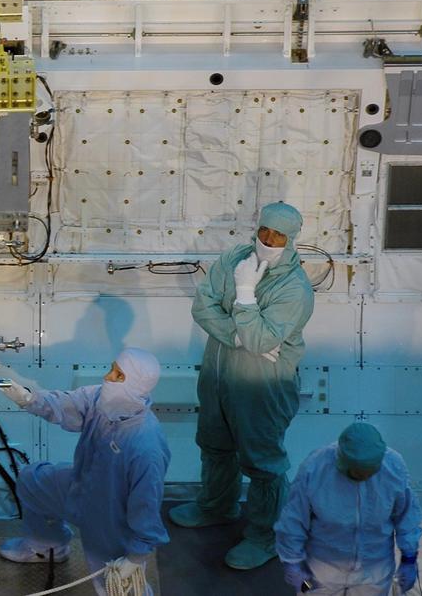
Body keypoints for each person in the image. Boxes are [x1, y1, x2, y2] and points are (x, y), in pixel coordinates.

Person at [169, 201, 315, 570]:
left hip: (262, 386)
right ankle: (217, 506)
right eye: (264, 230)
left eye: (278, 235)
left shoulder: (294, 288)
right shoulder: (235, 257)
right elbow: (202, 307)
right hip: (218, 375)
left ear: (291, 239)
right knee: (214, 445)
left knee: (263, 461)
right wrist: (237, 337)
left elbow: (261, 341)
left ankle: (267, 536)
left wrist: (245, 293)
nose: (268, 239)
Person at [0, 347, 170, 596]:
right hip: (79, 488)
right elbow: (65, 403)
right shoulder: (101, 400)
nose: (107, 377)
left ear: (136, 385)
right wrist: (27, 398)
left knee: (115, 585)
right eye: (112, 369)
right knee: (32, 480)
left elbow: (146, 504)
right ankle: (45, 546)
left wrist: (136, 556)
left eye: (118, 375)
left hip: (111, 519)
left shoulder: (146, 445)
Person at [275, 422, 422, 595]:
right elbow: (293, 520)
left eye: (368, 473)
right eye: (356, 473)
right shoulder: (315, 467)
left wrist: (409, 560)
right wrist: (292, 563)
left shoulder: (394, 466)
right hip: (319, 571)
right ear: (341, 461)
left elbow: (407, 516)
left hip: (375, 571)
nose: (361, 478)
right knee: (308, 591)